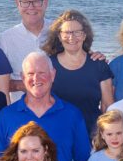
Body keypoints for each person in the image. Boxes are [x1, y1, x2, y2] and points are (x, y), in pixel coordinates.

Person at [41, 9, 114, 137]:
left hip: (92, 134)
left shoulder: (99, 65)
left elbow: (107, 106)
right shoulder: (48, 65)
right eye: (67, 32)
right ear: (59, 36)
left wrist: (107, 137)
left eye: (77, 32)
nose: (72, 37)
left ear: (85, 35)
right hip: (57, 134)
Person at [0, 0, 49, 99]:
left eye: (36, 1)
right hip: (19, 112)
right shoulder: (6, 39)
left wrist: (95, 56)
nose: (31, 7)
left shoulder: (60, 32)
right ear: (17, 4)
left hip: (57, 110)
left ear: (45, 3)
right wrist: (24, 85)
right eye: (25, 2)